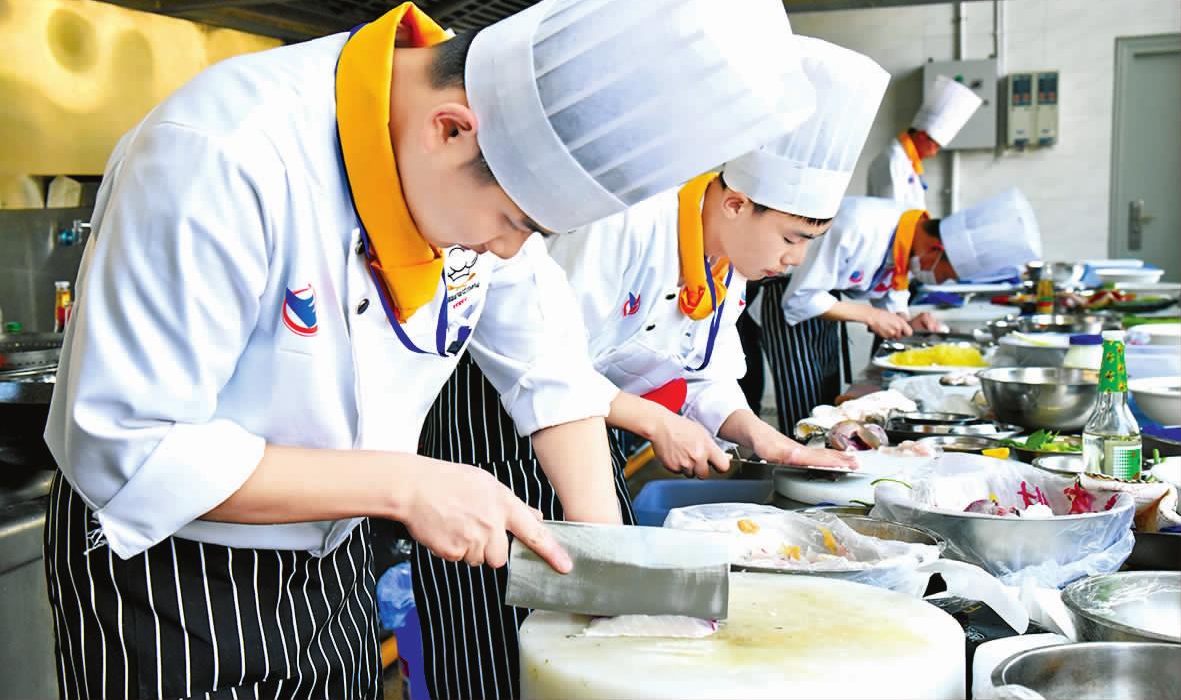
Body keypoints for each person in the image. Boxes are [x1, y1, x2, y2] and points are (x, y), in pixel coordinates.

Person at [39, 0, 808, 696]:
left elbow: (550, 367)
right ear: (450, 128)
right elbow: (132, 447)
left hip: (334, 547)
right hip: (170, 570)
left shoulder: (467, 169)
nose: (510, 250)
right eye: (512, 222)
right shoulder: (220, 157)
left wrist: (610, 570)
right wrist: (406, 485)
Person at [411, 36, 881, 700]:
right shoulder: (629, 223)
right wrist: (649, 417)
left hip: (574, 428)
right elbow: (540, 353)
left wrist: (761, 437)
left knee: (595, 616)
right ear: (735, 204)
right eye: (791, 238)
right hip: (486, 420)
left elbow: (707, 372)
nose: (792, 260)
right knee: (494, 617)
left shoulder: (727, 268)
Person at [766, 189, 1043, 432]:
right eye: (948, 274)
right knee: (804, 406)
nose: (943, 281)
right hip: (789, 299)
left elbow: (893, 283)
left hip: (824, 303)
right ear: (936, 249)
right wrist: (871, 315)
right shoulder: (858, 225)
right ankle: (796, 462)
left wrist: (906, 321)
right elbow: (799, 299)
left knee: (824, 398)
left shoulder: (907, 232)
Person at [866, 75, 983, 208]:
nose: (934, 153)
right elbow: (890, 212)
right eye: (935, 146)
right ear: (922, 136)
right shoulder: (892, 160)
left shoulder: (909, 163)